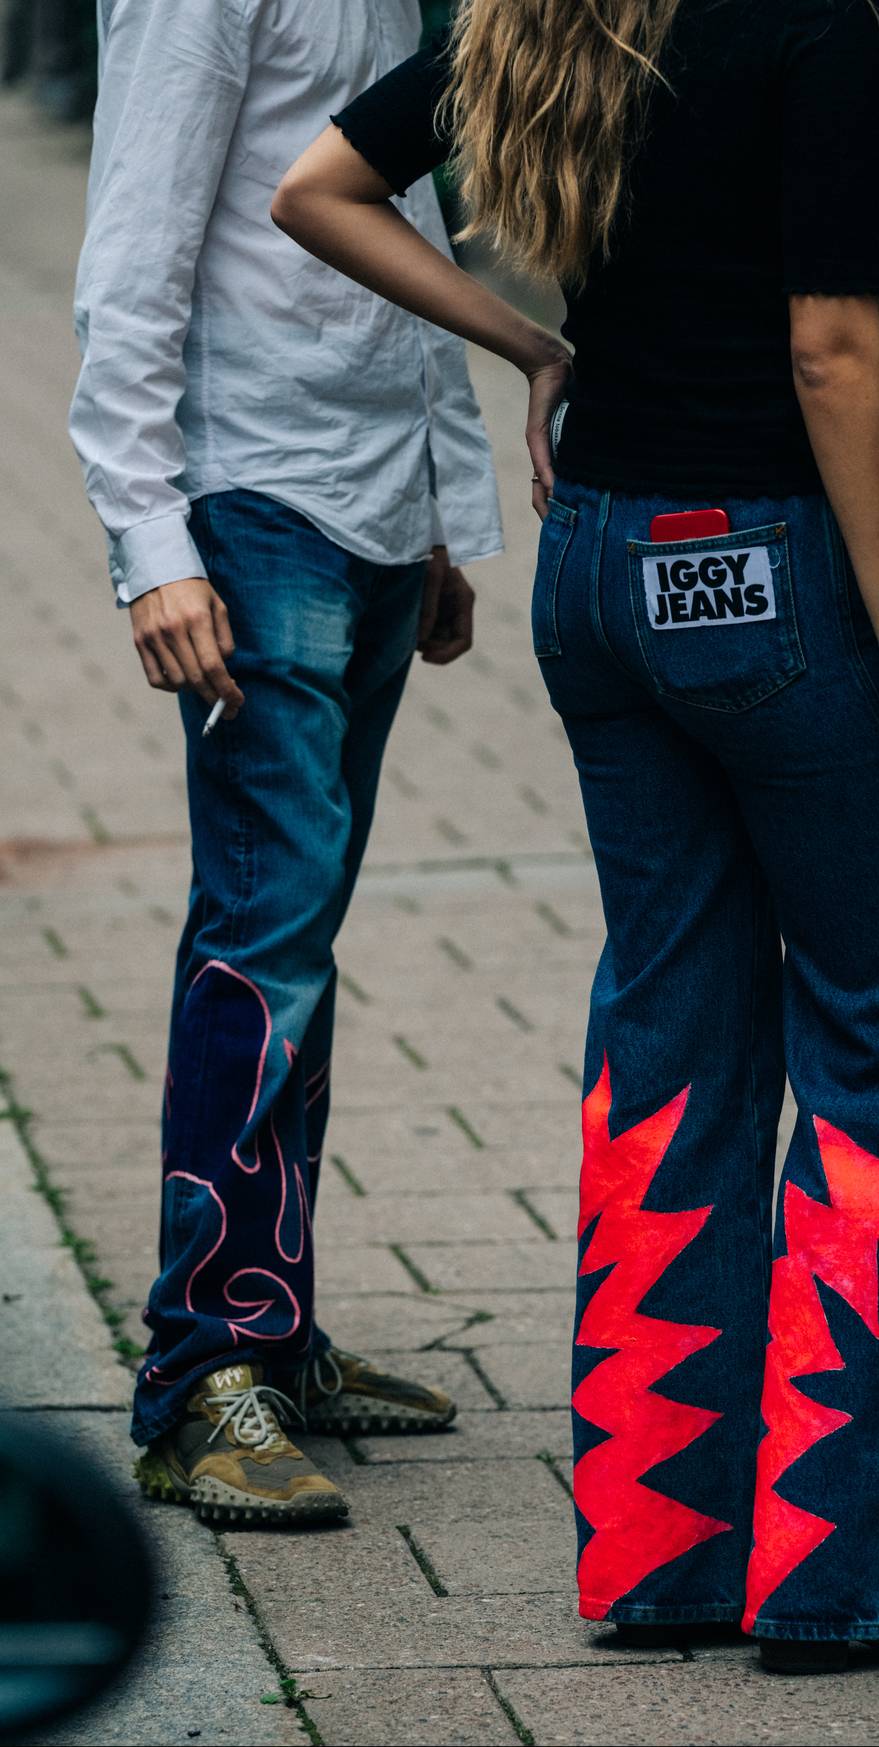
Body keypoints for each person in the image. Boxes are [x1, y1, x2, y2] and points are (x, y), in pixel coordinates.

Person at [273, 0, 879, 1669]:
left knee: (672, 1039)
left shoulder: (535, 15)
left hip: (602, 571)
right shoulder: (811, 24)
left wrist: (537, 349)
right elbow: (828, 345)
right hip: (756, 566)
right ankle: (861, 1577)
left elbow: (319, 188)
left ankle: (662, 1551)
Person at [69, 0, 502, 1526]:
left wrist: (444, 506)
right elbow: (133, 242)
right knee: (264, 929)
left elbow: (404, 211)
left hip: (372, 500)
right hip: (254, 499)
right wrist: (150, 545)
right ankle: (203, 1378)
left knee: (296, 931)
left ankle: (274, 1326)